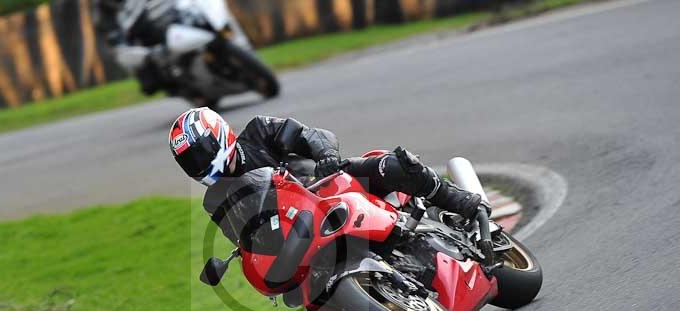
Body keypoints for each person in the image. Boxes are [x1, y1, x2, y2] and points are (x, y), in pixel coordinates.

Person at [168, 108, 489, 246]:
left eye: (201, 153)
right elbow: (243, 240)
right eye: (190, 161)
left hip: (331, 186)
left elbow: (311, 135)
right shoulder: (215, 200)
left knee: (393, 165)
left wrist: (325, 157)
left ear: (219, 135)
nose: (200, 164)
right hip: (303, 231)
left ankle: (456, 199)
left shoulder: (259, 131)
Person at [94, 0, 175, 95]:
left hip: (170, 27)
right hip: (148, 50)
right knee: (154, 81)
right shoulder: (103, 11)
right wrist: (148, 55)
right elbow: (117, 46)